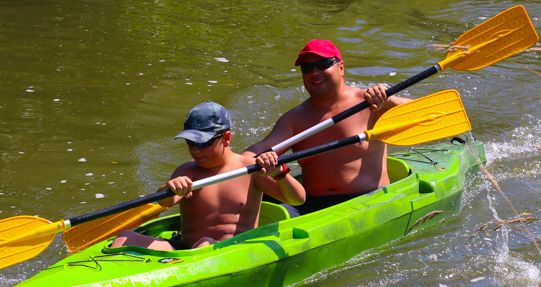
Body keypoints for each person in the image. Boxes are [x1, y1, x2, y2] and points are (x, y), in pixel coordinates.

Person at [241, 39, 411, 216]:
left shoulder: (371, 102)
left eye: (323, 64)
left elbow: (427, 114)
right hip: (311, 204)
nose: (314, 73)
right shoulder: (294, 118)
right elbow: (259, 150)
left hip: (367, 200)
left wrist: (390, 101)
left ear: (341, 67)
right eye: (307, 68)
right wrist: (236, 163)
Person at [110, 101, 305, 251]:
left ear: (226, 138)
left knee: (205, 243)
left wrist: (280, 172)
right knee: (124, 237)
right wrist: (170, 187)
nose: (196, 150)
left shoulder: (251, 168)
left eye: (203, 143)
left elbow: (297, 199)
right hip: (185, 250)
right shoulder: (188, 171)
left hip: (231, 251)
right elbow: (165, 202)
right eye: (191, 143)